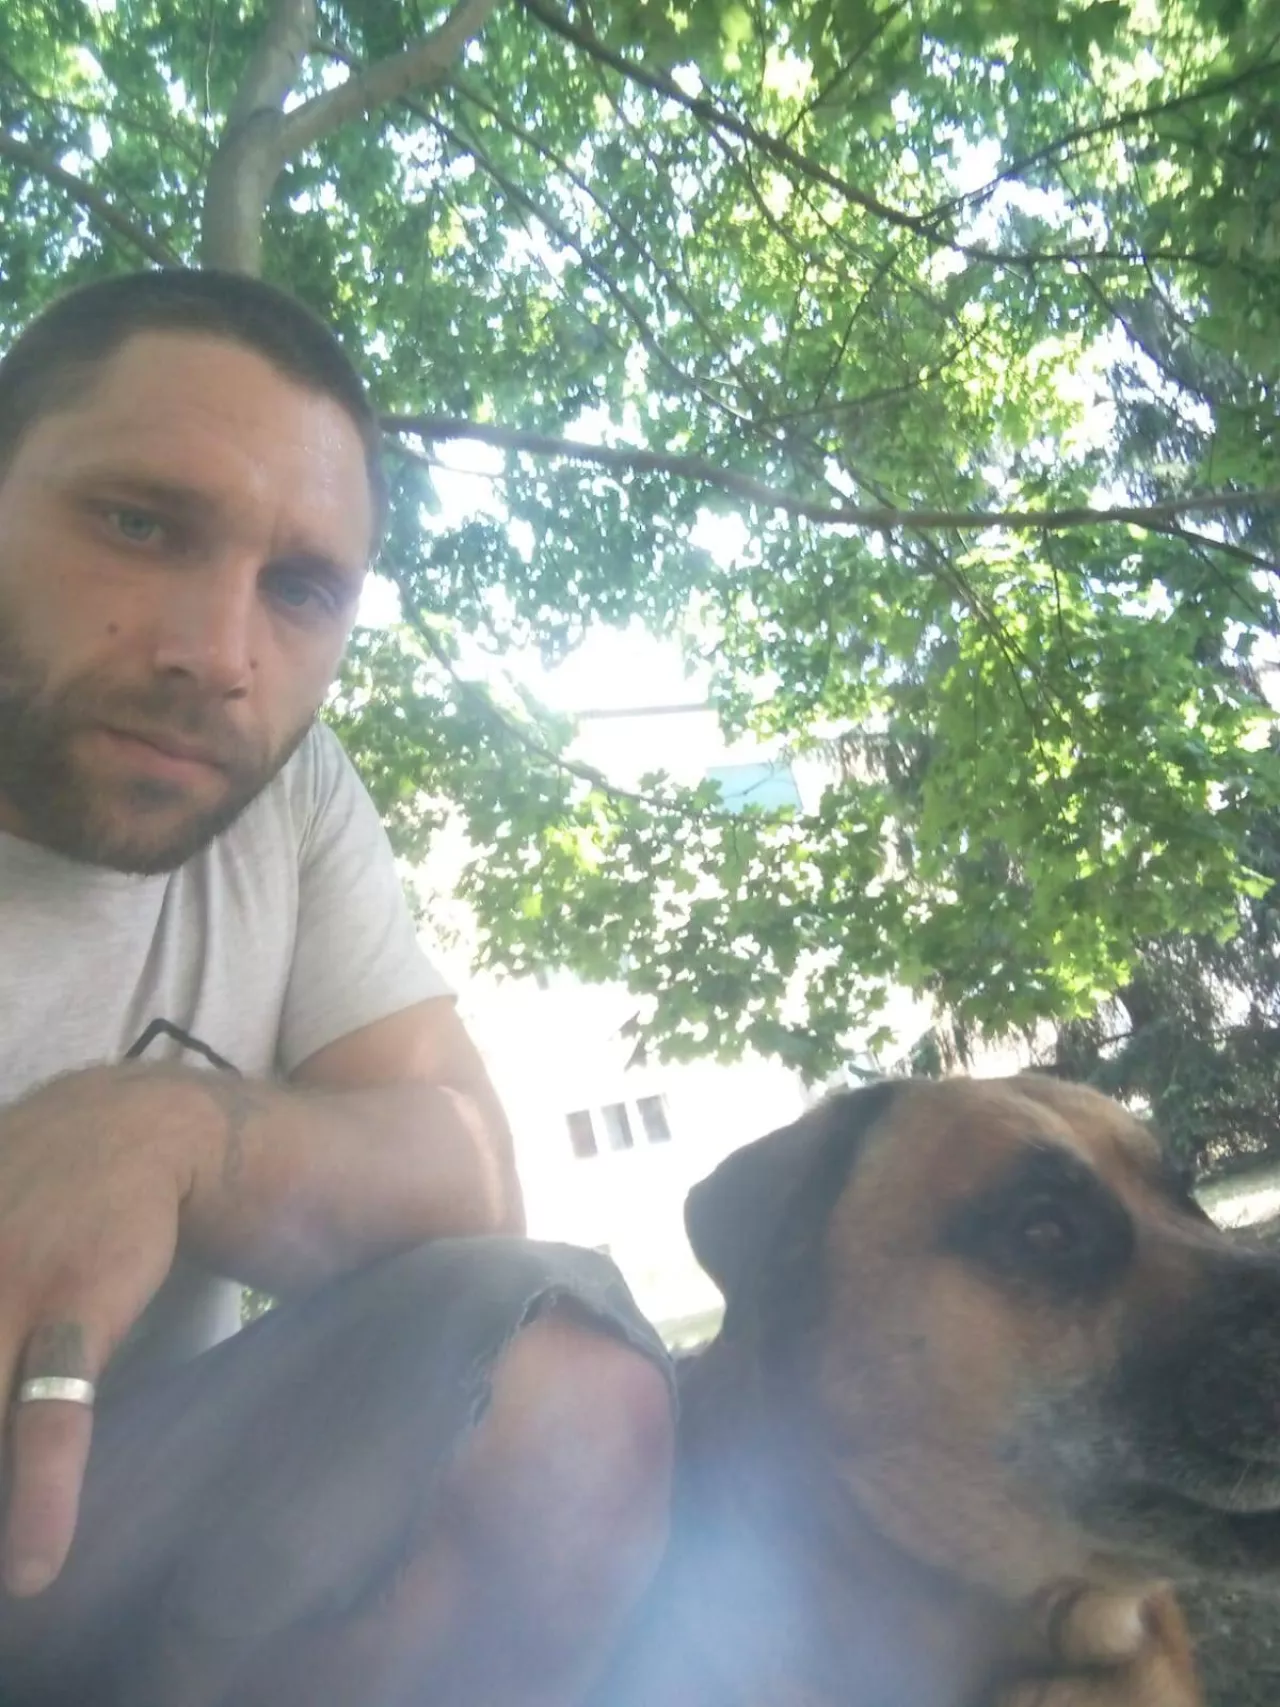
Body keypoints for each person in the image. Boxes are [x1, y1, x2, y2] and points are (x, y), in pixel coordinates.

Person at [0, 269, 675, 1707]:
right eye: (138, 523)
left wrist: (164, 1134)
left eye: (301, 589)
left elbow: (470, 1182)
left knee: (552, 1368)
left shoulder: (287, 790)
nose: (217, 657)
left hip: (109, 1536)